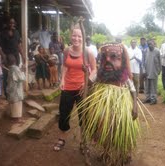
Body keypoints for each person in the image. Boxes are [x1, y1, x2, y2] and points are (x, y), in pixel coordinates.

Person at [75, 42, 142, 166]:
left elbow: (133, 91)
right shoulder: (99, 75)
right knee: (104, 129)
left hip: (121, 107)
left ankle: (122, 154)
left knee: (120, 130)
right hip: (103, 107)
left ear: (121, 60)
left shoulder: (124, 77)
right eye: (104, 57)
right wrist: (86, 72)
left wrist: (135, 107)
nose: (108, 61)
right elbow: (89, 82)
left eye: (113, 57)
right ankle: (106, 152)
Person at [53, 25, 97, 155]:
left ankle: (84, 142)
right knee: (64, 115)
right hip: (67, 87)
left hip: (82, 89)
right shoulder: (67, 50)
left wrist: (87, 81)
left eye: (79, 36)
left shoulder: (88, 52)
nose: (76, 38)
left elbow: (95, 69)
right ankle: (62, 138)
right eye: (74, 35)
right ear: (70, 36)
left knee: (84, 117)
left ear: (83, 38)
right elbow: (65, 66)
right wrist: (62, 80)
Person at [0, 18, 25, 98]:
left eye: (13, 23)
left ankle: (15, 92)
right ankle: (7, 94)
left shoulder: (16, 32)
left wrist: (23, 55)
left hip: (16, 56)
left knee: (16, 74)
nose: (11, 24)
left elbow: (19, 45)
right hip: (7, 57)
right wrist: (4, 56)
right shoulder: (2, 33)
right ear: (7, 23)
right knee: (7, 75)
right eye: (10, 23)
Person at [6, 54, 26, 123]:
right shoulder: (16, 68)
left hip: (11, 88)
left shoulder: (10, 69)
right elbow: (21, 78)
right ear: (15, 60)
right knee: (17, 103)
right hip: (16, 89)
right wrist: (23, 71)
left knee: (13, 102)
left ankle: (14, 117)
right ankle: (17, 118)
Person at [143, 40, 161, 105]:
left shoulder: (157, 51)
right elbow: (144, 61)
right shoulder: (146, 50)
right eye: (148, 44)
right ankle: (148, 98)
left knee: (153, 86)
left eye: (151, 44)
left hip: (154, 71)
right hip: (147, 71)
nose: (150, 45)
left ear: (154, 44)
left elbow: (159, 62)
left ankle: (153, 99)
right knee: (147, 85)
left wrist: (159, 70)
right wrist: (144, 70)